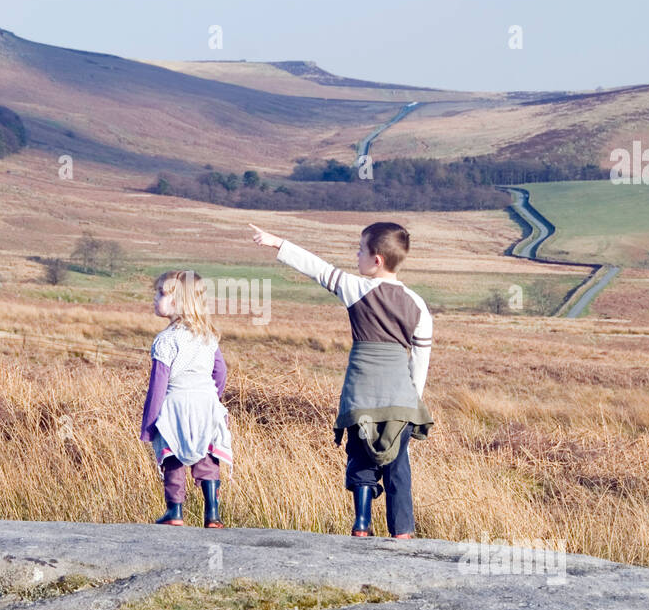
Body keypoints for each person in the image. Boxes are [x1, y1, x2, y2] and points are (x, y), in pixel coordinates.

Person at [249, 221, 432, 537]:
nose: (356, 255)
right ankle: (402, 532)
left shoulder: (355, 289)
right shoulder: (418, 305)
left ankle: (362, 524)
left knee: (361, 457)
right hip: (401, 402)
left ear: (377, 260)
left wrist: (278, 243)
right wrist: (414, 401)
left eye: (360, 249)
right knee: (398, 467)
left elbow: (318, 269)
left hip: (360, 397)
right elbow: (420, 360)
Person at [140, 270, 233, 528]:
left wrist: (148, 425)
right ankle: (212, 513)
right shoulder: (207, 337)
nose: (155, 297)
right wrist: (212, 397)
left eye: (160, 292)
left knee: (172, 457)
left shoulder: (165, 341)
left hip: (176, 403)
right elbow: (220, 372)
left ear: (178, 302)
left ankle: (175, 511)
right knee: (206, 457)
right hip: (206, 403)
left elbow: (158, 386)